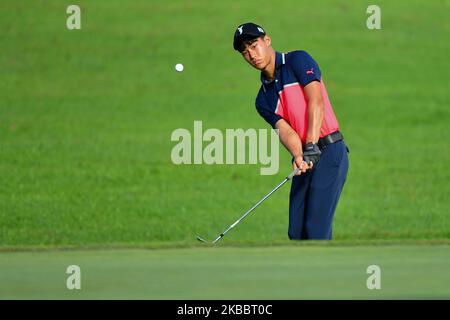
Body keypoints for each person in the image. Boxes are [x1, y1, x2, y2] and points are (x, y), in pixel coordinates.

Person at [233, 22, 349, 240]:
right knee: (296, 232)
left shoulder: (298, 60)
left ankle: (324, 273)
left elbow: (316, 101)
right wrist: (298, 155)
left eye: (253, 45)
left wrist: (312, 144)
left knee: (316, 230)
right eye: (244, 51)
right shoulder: (263, 99)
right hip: (306, 157)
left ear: (267, 41)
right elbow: (286, 132)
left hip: (330, 150)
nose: (251, 54)